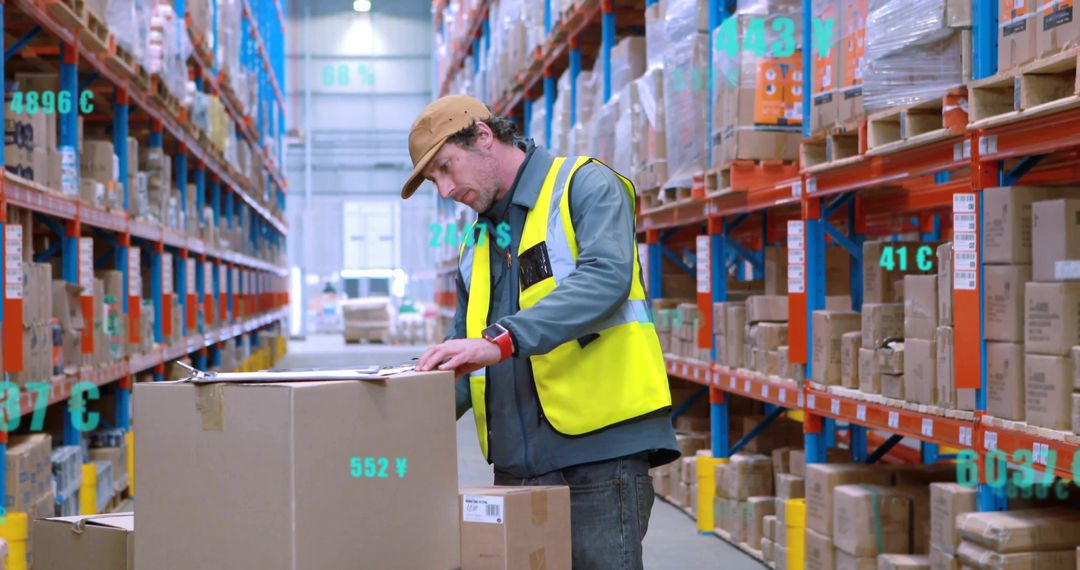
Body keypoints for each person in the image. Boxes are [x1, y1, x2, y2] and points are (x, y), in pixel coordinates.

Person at [403, 95, 678, 569]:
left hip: (597, 457)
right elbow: (464, 354)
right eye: (434, 181)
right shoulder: (478, 240)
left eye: (447, 168)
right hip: (516, 468)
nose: (445, 190)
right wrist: (394, 412)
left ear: (483, 137)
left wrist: (501, 340)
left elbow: (606, 279)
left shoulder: (584, 185)